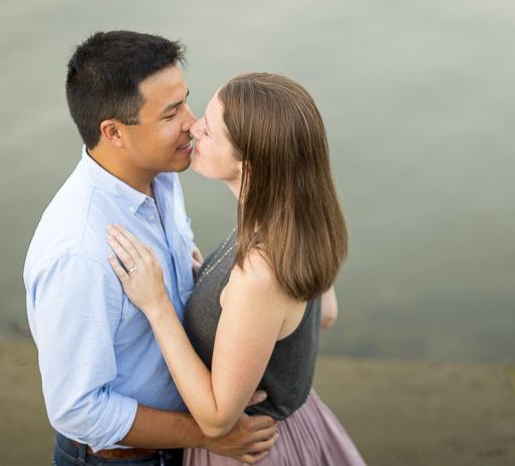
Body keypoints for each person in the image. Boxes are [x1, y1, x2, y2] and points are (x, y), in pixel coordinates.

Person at [24, 32, 279, 466]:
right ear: (114, 132)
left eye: (185, 101)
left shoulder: (162, 175)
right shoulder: (78, 253)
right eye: (170, 113)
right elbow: (77, 409)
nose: (193, 123)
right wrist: (209, 434)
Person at [105, 73, 365, 465]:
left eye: (210, 130)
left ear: (250, 162)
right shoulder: (297, 219)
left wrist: (157, 304)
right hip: (302, 427)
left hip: (250, 449)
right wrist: (210, 286)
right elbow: (324, 314)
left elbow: (215, 419)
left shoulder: (259, 273)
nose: (194, 127)